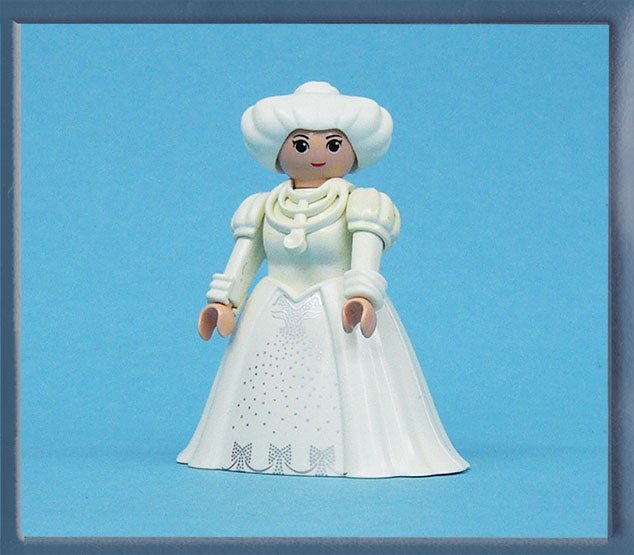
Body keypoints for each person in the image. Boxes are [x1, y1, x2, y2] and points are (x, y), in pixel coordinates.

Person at [177, 82, 469, 477]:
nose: (316, 155)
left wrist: (362, 296)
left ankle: (352, 452)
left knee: (349, 382)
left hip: (337, 308)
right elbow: (244, 259)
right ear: (278, 151)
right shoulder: (261, 208)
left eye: (333, 145)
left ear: (353, 150)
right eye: (301, 145)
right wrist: (223, 303)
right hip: (271, 309)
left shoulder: (362, 204)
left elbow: (366, 256)